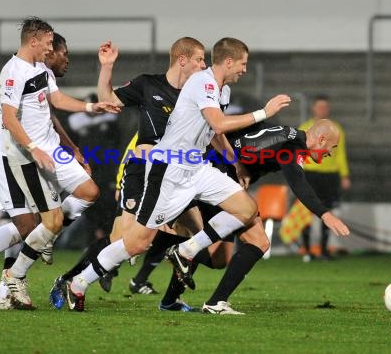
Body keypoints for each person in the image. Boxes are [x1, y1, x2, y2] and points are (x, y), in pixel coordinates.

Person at [61, 38, 345, 313]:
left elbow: (215, 133)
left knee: (246, 208)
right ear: (229, 61)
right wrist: (263, 112)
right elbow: (218, 122)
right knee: (136, 242)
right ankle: (78, 283)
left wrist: (236, 165)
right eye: (242, 64)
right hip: (168, 169)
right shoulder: (202, 81)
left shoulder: (223, 91)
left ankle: (185, 252)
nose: (244, 70)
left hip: (197, 168)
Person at [47, 37, 209, 309]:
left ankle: (169, 299)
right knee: (125, 239)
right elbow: (108, 100)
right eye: (200, 59)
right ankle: (70, 279)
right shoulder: (148, 84)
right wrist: (107, 67)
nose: (205, 65)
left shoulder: (200, 93)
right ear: (183, 59)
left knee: (194, 235)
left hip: (179, 173)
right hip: (143, 171)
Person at [0, 32, 95, 310]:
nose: (67, 59)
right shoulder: (21, 74)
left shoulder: (36, 78)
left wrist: (70, 148)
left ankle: (2, 292)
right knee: (30, 226)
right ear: (48, 53)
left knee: (40, 222)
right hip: (4, 155)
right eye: (63, 52)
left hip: (19, 152)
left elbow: (45, 115)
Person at [149, 120, 352, 314]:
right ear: (322, 139)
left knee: (219, 259)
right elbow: (299, 184)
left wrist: (233, 158)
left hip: (212, 171)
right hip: (218, 180)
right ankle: (214, 300)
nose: (331, 153)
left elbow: (244, 130)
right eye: (333, 147)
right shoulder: (292, 148)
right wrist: (326, 215)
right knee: (259, 241)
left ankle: (170, 297)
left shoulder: (283, 132)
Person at [0, 17, 119, 309]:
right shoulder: (12, 72)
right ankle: (16, 274)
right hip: (27, 155)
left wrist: (92, 106)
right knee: (51, 221)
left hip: (53, 149)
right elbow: (8, 118)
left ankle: (45, 235)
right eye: (49, 43)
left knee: (89, 191)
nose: (51, 48)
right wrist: (33, 148)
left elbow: (58, 100)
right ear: (34, 41)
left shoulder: (41, 68)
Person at [299, 95, 350, 261]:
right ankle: (306, 250)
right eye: (319, 107)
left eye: (325, 107)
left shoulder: (336, 129)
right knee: (306, 211)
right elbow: (297, 153)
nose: (322, 110)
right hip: (310, 173)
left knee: (327, 211)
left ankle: (324, 249)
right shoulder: (305, 128)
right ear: (313, 108)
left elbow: (341, 154)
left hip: (330, 175)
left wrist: (344, 175)